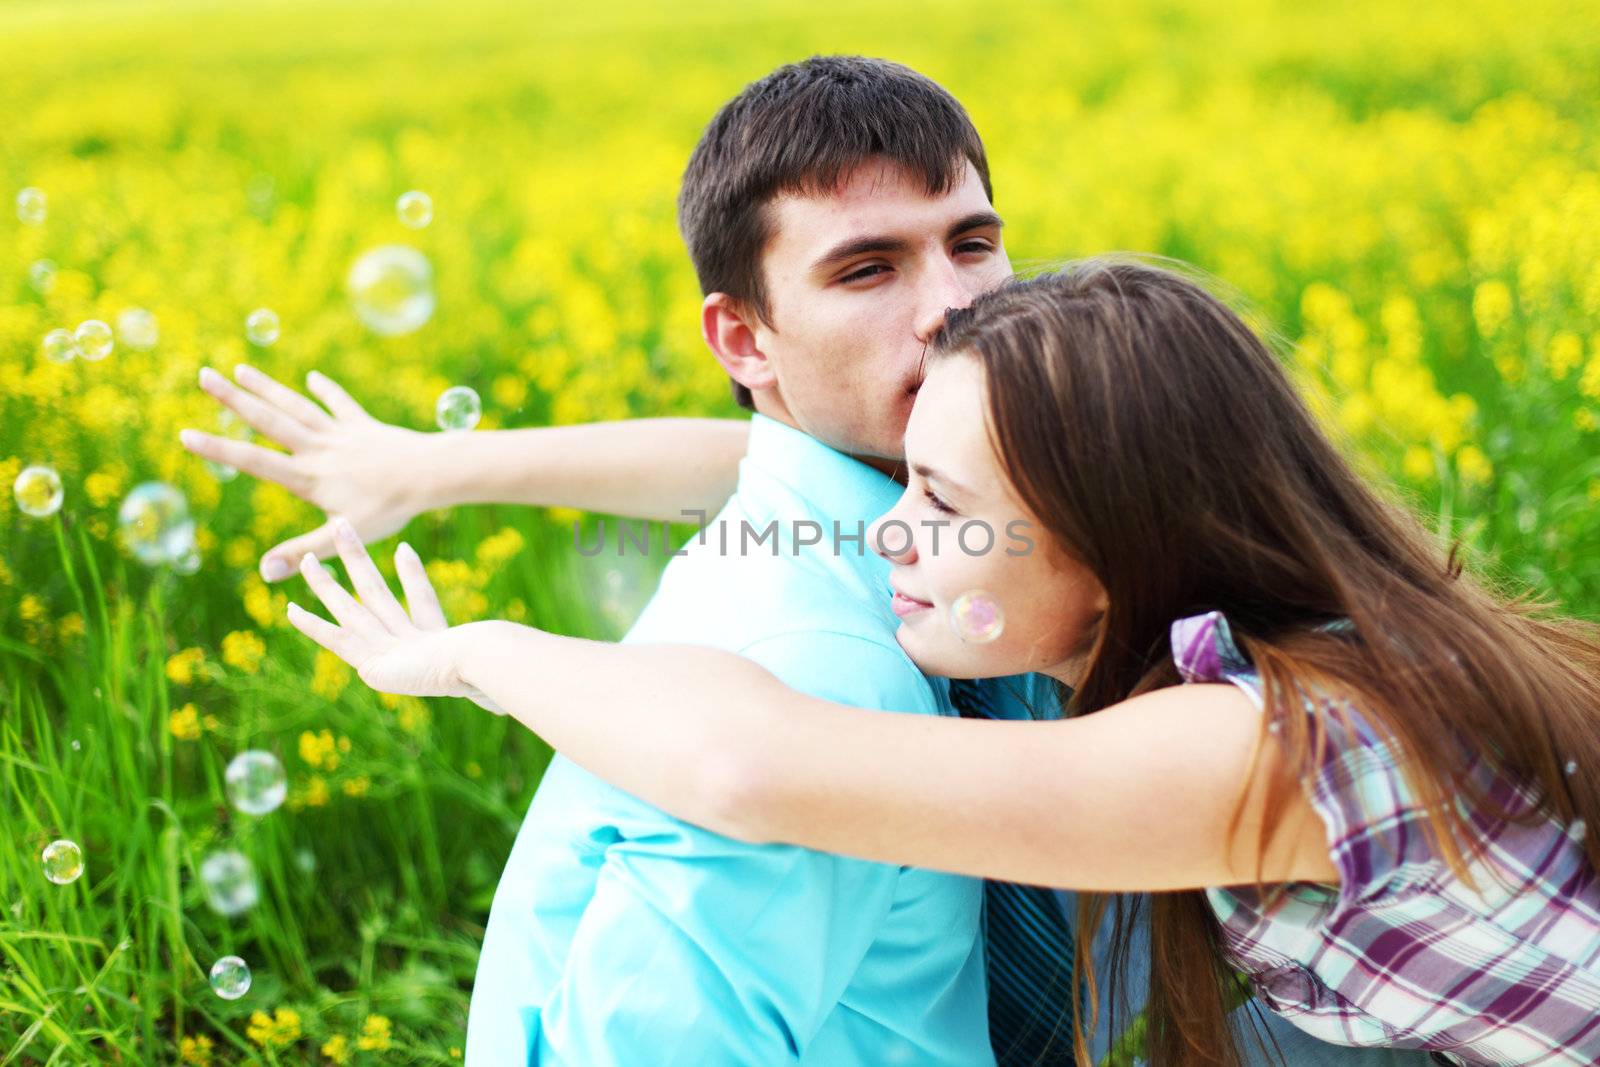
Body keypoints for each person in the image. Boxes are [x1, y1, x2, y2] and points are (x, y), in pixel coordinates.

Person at [181, 55, 1435, 1067]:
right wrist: (457, 585)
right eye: (866, 269)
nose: (947, 307)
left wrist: (448, 516)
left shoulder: (942, 485)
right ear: (747, 340)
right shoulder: (832, 654)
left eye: (972, 242)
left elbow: (741, 466)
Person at [285, 258, 1600, 1067]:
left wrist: (470, 652)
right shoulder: (1302, 613)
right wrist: (440, 470)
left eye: (941, 500)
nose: (886, 529)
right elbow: (766, 469)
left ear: (1109, 528)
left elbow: (746, 762)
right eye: (901, 480)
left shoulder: (1257, 747)